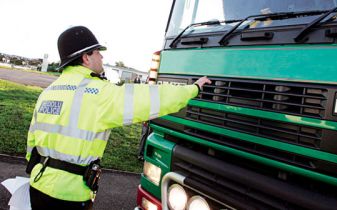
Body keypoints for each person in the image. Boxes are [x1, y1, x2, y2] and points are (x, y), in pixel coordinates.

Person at [26, 25, 211, 210]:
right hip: (69, 195)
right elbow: (152, 99)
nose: (102, 57)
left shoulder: (48, 92)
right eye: (98, 52)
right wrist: (193, 89)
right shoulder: (98, 93)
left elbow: (31, 144)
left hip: (37, 185)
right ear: (86, 57)